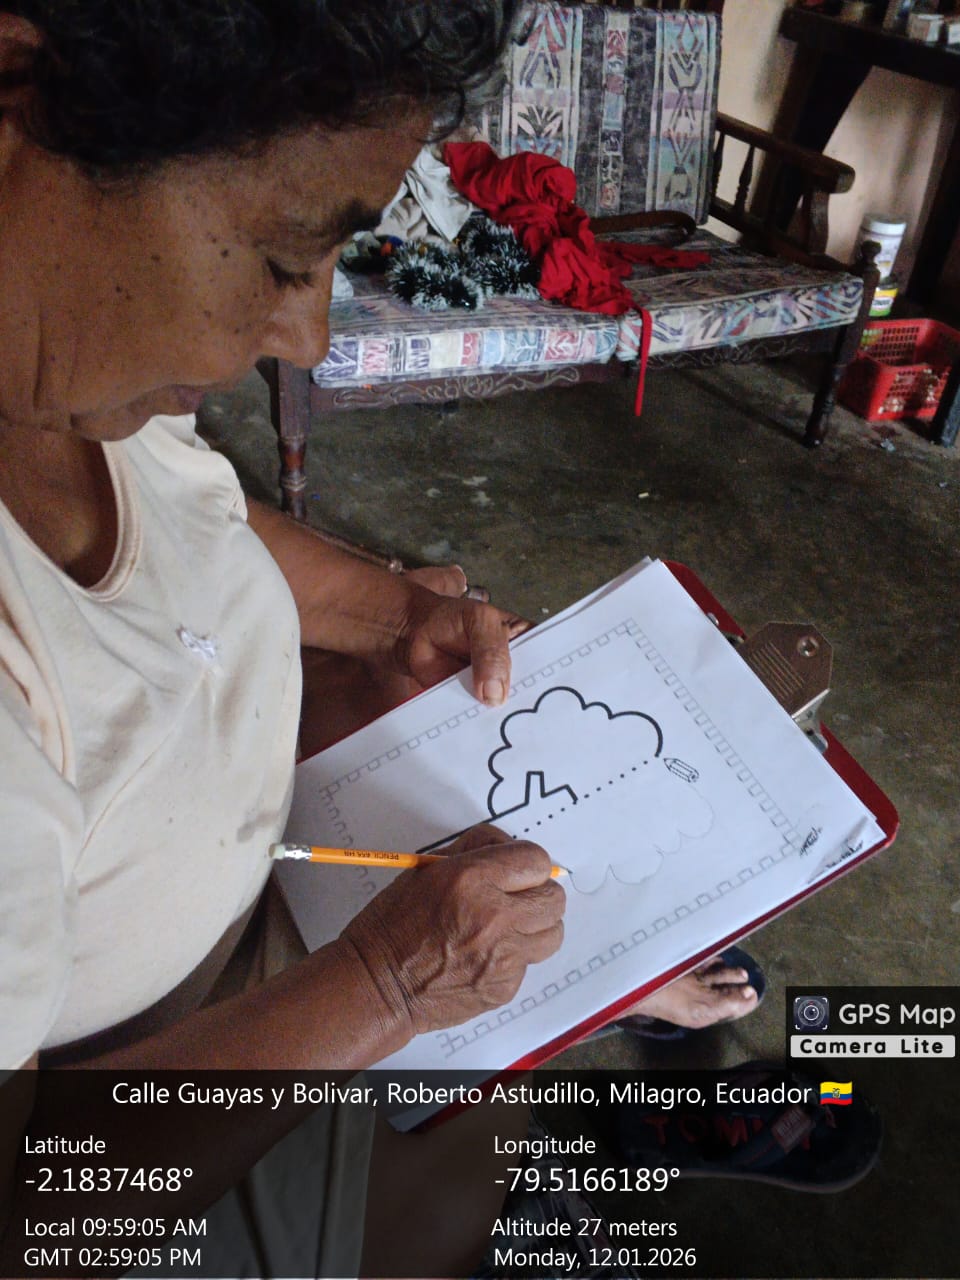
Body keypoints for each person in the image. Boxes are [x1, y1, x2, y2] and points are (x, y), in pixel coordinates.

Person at [0, 3, 759, 1275]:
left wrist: (391, 609)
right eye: (285, 257)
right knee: (486, 1102)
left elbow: (196, 511)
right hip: (147, 1097)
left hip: (278, 895)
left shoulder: (69, 363)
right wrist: (389, 984)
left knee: (542, 952)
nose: (307, 338)